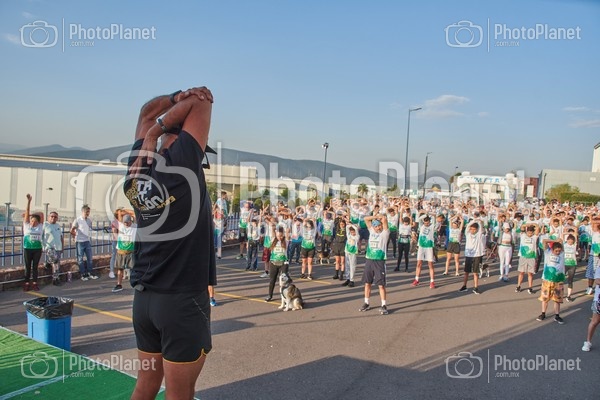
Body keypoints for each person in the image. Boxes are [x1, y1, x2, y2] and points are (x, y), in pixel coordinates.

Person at [124, 86, 216, 400]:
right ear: (180, 142)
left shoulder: (138, 171)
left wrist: (174, 100)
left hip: (145, 300)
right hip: (181, 301)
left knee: (145, 385)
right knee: (179, 394)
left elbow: (146, 113)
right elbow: (202, 103)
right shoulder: (182, 168)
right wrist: (158, 130)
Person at [359, 214, 390, 314]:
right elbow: (365, 219)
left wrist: (380, 217)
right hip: (369, 260)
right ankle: (366, 303)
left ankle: (384, 305)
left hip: (379, 261)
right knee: (367, 283)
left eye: (379, 225)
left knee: (381, 285)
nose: (378, 228)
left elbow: (384, 219)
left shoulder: (385, 233)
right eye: (376, 226)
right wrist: (375, 217)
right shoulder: (371, 231)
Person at [536, 240, 566, 324]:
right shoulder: (547, 252)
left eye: (559, 251)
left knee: (557, 299)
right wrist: (554, 241)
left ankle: (557, 315)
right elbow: (544, 241)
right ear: (552, 249)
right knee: (545, 298)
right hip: (547, 280)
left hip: (558, 281)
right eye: (556, 251)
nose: (558, 252)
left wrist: (559, 242)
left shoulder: (562, 254)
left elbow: (561, 242)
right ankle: (543, 314)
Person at [70, 204, 97, 280]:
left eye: (88, 212)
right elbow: (72, 230)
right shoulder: (78, 220)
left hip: (87, 241)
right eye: (86, 212)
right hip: (80, 242)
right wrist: (74, 236)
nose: (87, 213)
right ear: (82, 212)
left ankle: (90, 272)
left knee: (90, 258)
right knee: (80, 259)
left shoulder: (89, 220)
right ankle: (83, 274)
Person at [458, 219, 485, 295]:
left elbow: (481, 227)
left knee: (475, 272)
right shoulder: (468, 234)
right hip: (469, 255)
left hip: (476, 255)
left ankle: (475, 287)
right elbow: (468, 226)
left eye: (474, 229)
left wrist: (479, 222)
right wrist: (474, 220)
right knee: (466, 272)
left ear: (477, 229)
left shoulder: (479, 235)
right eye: (471, 229)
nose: (472, 230)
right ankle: (464, 286)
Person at [23, 194, 43, 291]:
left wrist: (33, 215)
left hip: (37, 249)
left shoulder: (40, 226)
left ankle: (34, 283)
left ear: (38, 222)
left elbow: (41, 214)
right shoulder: (26, 226)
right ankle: (26, 283)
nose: (33, 222)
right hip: (27, 249)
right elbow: (27, 211)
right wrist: (29, 201)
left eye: (35, 221)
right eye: (31, 221)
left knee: (35, 267)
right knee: (27, 267)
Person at [112, 213, 136, 293]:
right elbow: (118, 214)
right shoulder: (121, 226)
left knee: (133, 269)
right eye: (124, 222)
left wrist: (132, 214)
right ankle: (119, 284)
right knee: (120, 268)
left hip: (130, 251)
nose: (126, 224)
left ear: (130, 221)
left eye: (127, 222)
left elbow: (135, 217)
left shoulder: (134, 227)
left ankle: (134, 284)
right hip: (121, 251)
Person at [412, 213, 436, 289]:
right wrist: (425, 214)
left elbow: (434, 216)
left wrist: (429, 214)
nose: (426, 224)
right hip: (421, 247)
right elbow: (419, 218)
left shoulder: (432, 226)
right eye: (425, 223)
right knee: (419, 264)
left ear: (429, 222)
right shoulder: (421, 226)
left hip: (429, 247)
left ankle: (432, 281)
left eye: (427, 223)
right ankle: (416, 279)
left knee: (430, 264)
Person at [265, 227, 289, 302]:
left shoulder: (285, 241)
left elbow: (287, 233)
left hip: (283, 263)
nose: (279, 237)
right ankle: (270, 295)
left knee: (284, 281)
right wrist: (273, 228)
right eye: (278, 236)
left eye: (281, 236)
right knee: (272, 280)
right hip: (273, 263)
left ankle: (285, 297)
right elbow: (272, 230)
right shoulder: (273, 240)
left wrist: (286, 230)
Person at [582, 254, 600, 351]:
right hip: (599, 300)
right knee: (595, 321)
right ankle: (588, 342)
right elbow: (597, 281)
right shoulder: (599, 269)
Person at [42, 210, 64, 286]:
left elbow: (61, 236)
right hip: (49, 247)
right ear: (48, 217)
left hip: (58, 247)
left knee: (57, 263)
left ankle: (56, 278)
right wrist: (42, 246)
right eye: (52, 216)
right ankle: (48, 262)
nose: (53, 218)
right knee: (55, 260)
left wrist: (62, 247)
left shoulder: (57, 226)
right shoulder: (45, 225)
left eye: (55, 217)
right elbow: (41, 236)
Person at [516, 224, 540, 294]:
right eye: (528, 232)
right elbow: (522, 226)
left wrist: (533, 224)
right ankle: (518, 286)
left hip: (531, 257)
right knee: (521, 272)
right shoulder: (523, 235)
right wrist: (528, 224)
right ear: (526, 232)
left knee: (530, 273)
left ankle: (530, 287)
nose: (530, 234)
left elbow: (537, 228)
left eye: (531, 232)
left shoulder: (534, 237)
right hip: (523, 256)